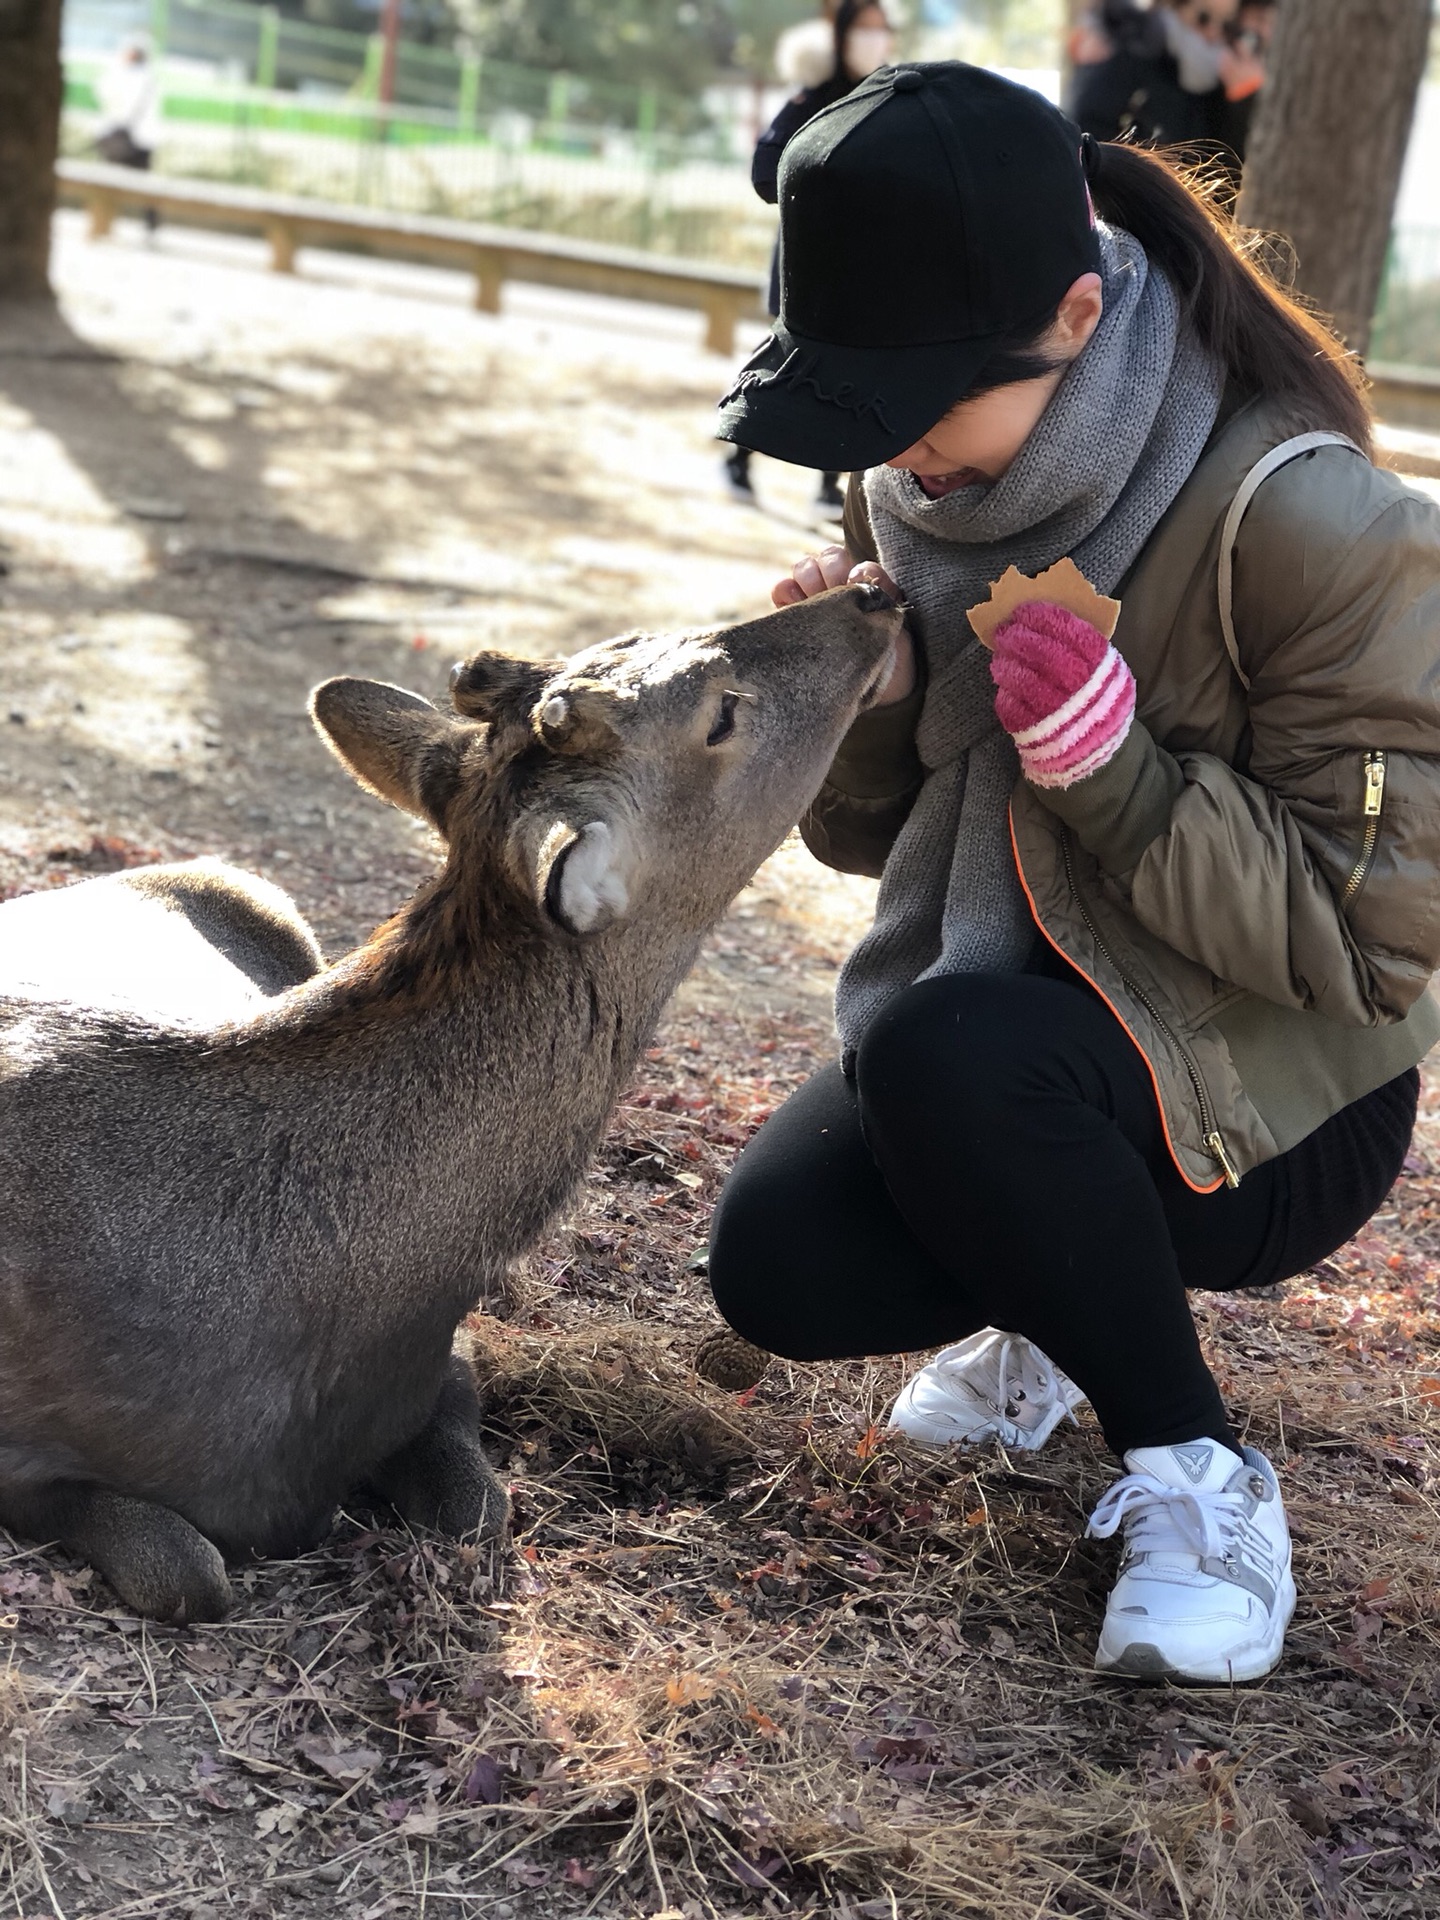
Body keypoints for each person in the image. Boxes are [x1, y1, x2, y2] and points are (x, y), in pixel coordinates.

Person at [709, 62, 1440, 1684]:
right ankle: (1053, 1282)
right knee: (777, 1263)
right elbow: (858, 847)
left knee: (938, 1060)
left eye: (911, 403)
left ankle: (1197, 1480)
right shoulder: (919, 486)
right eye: (859, 403)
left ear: (1072, 311)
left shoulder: (1303, 517)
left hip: (1276, 1100)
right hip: (1033, 1022)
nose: (895, 452)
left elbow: (1378, 940)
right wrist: (877, 711)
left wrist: (1116, 778)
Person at [723, 0, 894, 517]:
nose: (874, 39)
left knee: (853, 370)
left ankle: (828, 486)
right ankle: (738, 458)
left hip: (863, 262)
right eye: (863, 29)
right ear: (839, 36)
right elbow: (765, 169)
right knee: (787, 361)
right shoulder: (813, 99)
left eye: (882, 29)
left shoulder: (890, 96)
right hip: (807, 259)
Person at [95, 36, 162, 233]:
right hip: (118, 138)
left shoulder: (145, 77)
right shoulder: (118, 73)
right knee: (108, 183)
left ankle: (150, 223)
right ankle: (103, 223)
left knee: (142, 186)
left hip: (137, 141)